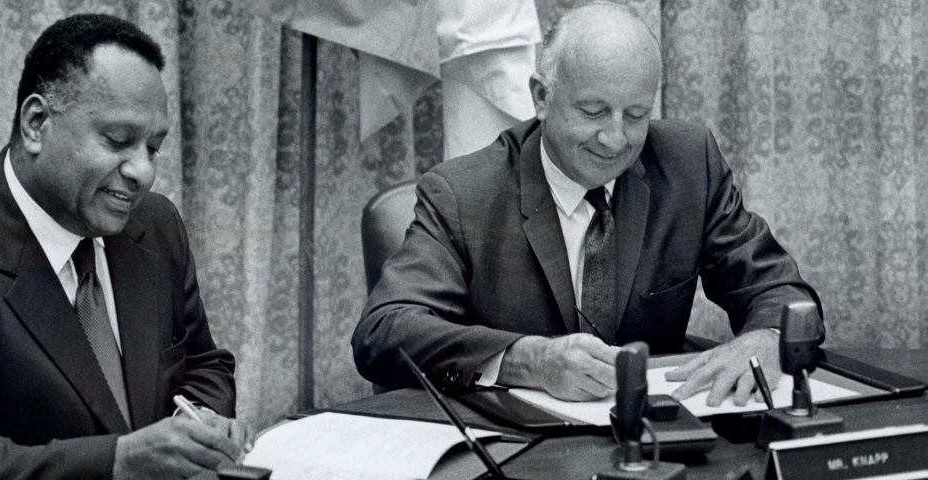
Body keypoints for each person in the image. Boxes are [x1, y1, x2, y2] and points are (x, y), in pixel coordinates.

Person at [352, 2, 823, 408]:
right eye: (593, 112)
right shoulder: (463, 193)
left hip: (657, 441)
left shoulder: (687, 165)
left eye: (635, 114)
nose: (615, 138)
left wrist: (768, 338)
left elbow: (781, 291)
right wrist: (527, 360)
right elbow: (384, 333)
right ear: (541, 97)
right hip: (520, 450)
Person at [0, 13, 248, 480]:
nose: (143, 171)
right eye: (119, 141)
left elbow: (203, 362)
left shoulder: (155, 225)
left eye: (154, 147)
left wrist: (203, 423)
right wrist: (117, 462)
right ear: (37, 123)